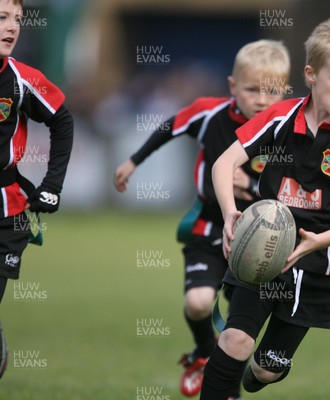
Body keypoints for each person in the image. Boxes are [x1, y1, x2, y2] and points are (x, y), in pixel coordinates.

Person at [201, 18, 330, 399]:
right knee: (235, 340)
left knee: (267, 368)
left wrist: (319, 241)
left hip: (321, 267)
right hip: (264, 254)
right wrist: (229, 215)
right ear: (311, 74)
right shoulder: (281, 117)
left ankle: (262, 372)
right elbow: (224, 164)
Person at [113, 40, 290, 398]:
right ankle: (203, 353)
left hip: (256, 238)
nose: (261, 99)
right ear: (232, 86)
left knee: (239, 325)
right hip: (209, 227)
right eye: (251, 89)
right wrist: (133, 161)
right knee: (197, 304)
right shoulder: (209, 114)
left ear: (285, 91)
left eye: (271, 91)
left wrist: (253, 183)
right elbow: (169, 127)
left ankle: (227, 386)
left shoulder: (287, 128)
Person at [0, 0, 74, 382]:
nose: (13, 27)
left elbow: (63, 121)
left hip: (3, 213)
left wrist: (52, 185)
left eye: (18, 19)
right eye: (1, 17)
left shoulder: (22, 79)